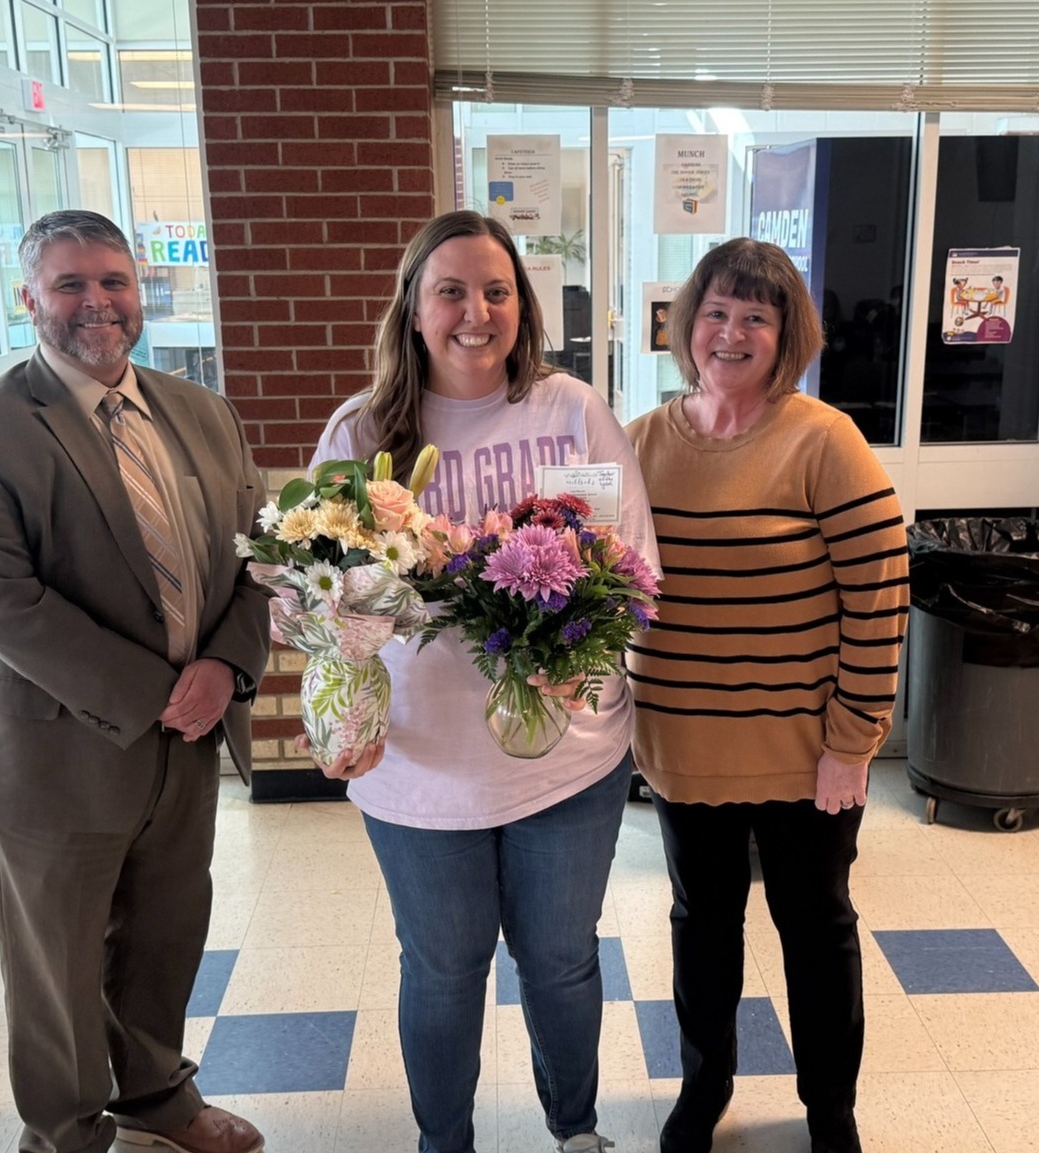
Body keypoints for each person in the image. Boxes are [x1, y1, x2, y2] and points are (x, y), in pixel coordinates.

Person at [307, 209, 661, 1153]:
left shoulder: (569, 409)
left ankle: (575, 1130)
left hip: (568, 758)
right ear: (413, 308)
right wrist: (336, 685)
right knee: (443, 971)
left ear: (522, 306)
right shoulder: (360, 432)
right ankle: (445, 1144)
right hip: (421, 769)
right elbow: (317, 598)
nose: (476, 312)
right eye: (451, 291)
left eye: (496, 291)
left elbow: (633, 569)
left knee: (560, 961)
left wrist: (577, 651)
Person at [0, 210, 271, 1153]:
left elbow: (259, 555)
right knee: (59, 969)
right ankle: (65, 1134)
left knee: (165, 934)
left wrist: (225, 665)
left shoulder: (202, 412)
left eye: (114, 281)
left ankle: (158, 1096)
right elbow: (7, 604)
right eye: (69, 283)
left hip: (188, 739)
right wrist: (163, 691)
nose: (97, 302)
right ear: (27, 297)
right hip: (55, 748)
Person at [625, 238, 910, 1153]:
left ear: (786, 335)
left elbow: (878, 594)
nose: (731, 331)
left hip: (803, 757)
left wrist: (852, 741)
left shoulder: (822, 439)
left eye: (756, 315)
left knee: (815, 930)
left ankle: (829, 1105)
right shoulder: (639, 442)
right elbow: (602, 581)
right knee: (700, 929)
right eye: (715, 311)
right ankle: (704, 1084)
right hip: (683, 748)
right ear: (686, 324)